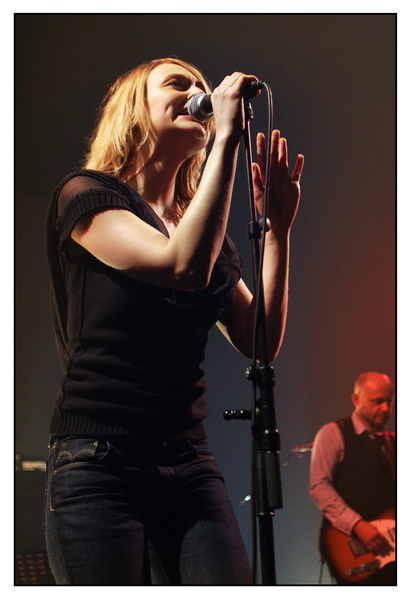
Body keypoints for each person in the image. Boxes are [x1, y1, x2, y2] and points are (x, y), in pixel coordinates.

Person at [44, 57, 304, 585]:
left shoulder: (200, 229)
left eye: (200, 86)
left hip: (188, 461)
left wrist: (277, 231)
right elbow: (181, 267)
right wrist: (228, 136)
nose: (196, 92)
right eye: (176, 83)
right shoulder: (88, 194)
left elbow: (259, 341)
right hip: (98, 459)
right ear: (134, 109)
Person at [309, 372, 396, 585]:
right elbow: (319, 487)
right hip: (354, 546)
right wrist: (357, 525)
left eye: (389, 401)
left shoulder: (394, 443)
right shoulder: (333, 433)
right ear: (356, 399)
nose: (386, 408)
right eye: (377, 401)